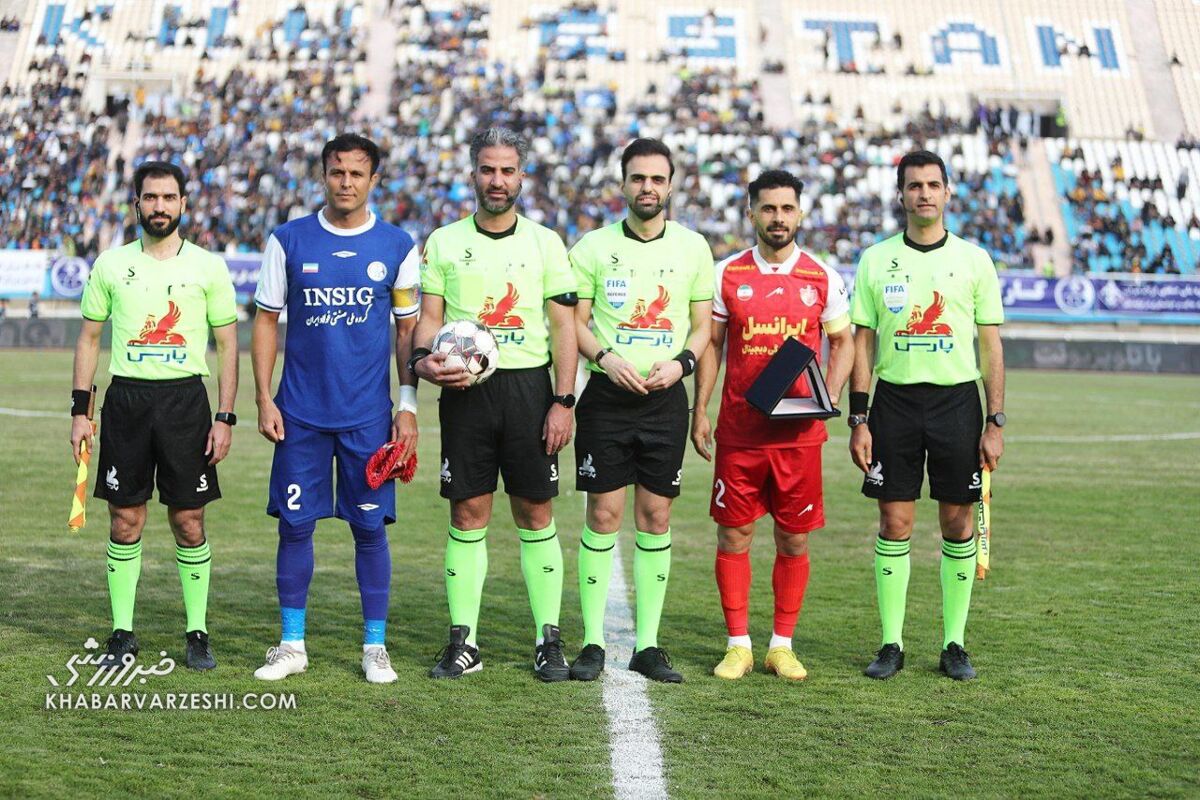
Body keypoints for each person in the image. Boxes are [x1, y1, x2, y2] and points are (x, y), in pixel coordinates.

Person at [250, 134, 420, 684]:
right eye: (337, 172)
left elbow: (407, 333)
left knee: (370, 530)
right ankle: (291, 644)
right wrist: (264, 397)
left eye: (357, 173)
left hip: (368, 418)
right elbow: (265, 322)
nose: (346, 182)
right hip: (299, 414)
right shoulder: (288, 240)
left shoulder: (397, 246)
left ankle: (375, 647)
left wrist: (407, 405)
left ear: (374, 180)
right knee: (295, 527)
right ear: (323, 176)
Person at [411, 127, 578, 682]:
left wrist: (563, 401)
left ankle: (548, 640)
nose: (497, 180)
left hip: (529, 390)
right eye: (488, 169)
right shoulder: (443, 241)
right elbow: (428, 319)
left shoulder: (546, 243)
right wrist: (424, 359)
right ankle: (464, 642)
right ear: (473, 174)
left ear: (522, 176)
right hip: (466, 393)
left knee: (535, 513)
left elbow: (564, 328)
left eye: (507, 170)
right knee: (467, 513)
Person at [70, 160, 238, 671]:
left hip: (187, 403)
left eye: (168, 198)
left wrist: (225, 417)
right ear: (137, 204)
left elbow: (229, 345)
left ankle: (197, 633)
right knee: (125, 519)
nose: (159, 206)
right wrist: (80, 412)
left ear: (183, 204)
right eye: (151, 197)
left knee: (189, 520)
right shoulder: (110, 264)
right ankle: (122, 633)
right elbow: (89, 339)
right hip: (127, 402)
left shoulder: (208, 267)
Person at [847, 150, 1005, 681]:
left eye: (933, 185)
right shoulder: (875, 259)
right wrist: (859, 417)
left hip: (957, 403)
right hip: (893, 403)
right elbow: (862, 342)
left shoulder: (974, 260)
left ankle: (954, 644)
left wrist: (995, 421)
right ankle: (891, 643)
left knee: (957, 523)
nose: (924, 194)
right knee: (894, 521)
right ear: (901, 195)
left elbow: (991, 346)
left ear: (947, 192)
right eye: (914, 186)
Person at [691, 169, 853, 681]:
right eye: (768, 208)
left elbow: (843, 342)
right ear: (752, 213)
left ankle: (781, 645)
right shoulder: (727, 274)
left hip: (798, 438)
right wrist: (701, 408)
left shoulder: (822, 277)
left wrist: (829, 394)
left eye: (786, 209)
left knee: (794, 540)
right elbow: (712, 346)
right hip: (741, 433)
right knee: (733, 535)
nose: (778, 218)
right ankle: (738, 644)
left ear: (800, 214)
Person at [567, 138, 713, 683]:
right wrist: (605, 357)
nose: (647, 187)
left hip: (665, 400)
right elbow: (574, 322)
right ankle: (592, 641)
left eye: (657, 179)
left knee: (656, 517)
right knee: (603, 515)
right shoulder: (593, 247)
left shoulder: (693, 248)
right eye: (638, 178)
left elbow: (704, 326)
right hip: (606, 400)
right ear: (623, 184)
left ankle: (647, 645)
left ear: (670, 186)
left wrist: (682, 363)